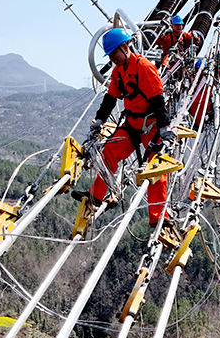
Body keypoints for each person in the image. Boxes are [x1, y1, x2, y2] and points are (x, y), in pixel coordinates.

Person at [75, 28, 177, 233]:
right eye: (110, 55)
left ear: (125, 47)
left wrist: (164, 128)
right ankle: (96, 195)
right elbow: (110, 98)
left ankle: (158, 217)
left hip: (151, 125)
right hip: (131, 124)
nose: (112, 58)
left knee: (156, 168)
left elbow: (158, 101)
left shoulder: (144, 68)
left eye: (114, 53)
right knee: (108, 154)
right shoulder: (118, 72)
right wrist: (100, 120)